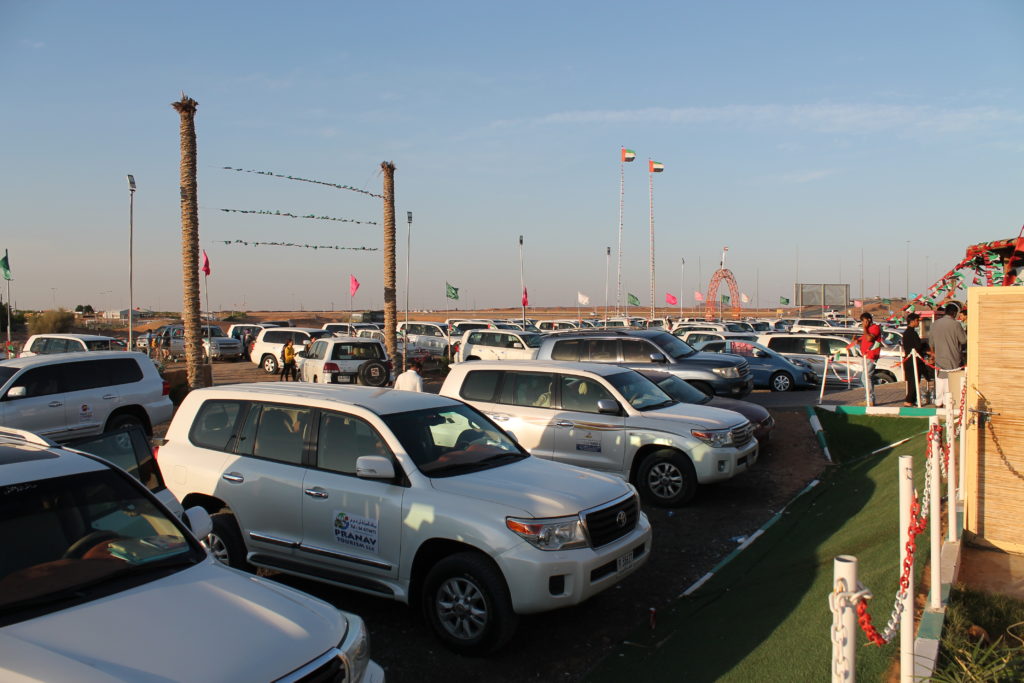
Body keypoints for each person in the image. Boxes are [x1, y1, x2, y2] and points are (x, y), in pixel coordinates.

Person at [929, 303, 967, 407]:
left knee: (940, 381)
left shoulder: (934, 324)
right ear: (954, 313)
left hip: (939, 358)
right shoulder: (956, 325)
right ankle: (949, 402)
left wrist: (933, 354)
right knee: (951, 381)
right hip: (953, 358)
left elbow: (931, 343)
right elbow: (963, 340)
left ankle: (938, 402)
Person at [845, 312, 882, 405]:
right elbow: (866, 342)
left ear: (868, 320)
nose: (863, 324)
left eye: (864, 321)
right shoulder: (868, 330)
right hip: (865, 356)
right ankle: (869, 398)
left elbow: (870, 339)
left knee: (866, 378)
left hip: (871, 355)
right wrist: (858, 342)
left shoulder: (874, 328)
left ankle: (870, 399)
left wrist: (865, 328)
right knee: (865, 378)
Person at [901, 313, 929, 406]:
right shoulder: (911, 333)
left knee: (913, 381)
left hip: (911, 360)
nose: (918, 322)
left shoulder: (909, 332)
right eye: (917, 320)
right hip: (912, 361)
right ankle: (909, 400)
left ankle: (912, 400)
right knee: (913, 381)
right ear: (912, 321)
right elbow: (917, 347)